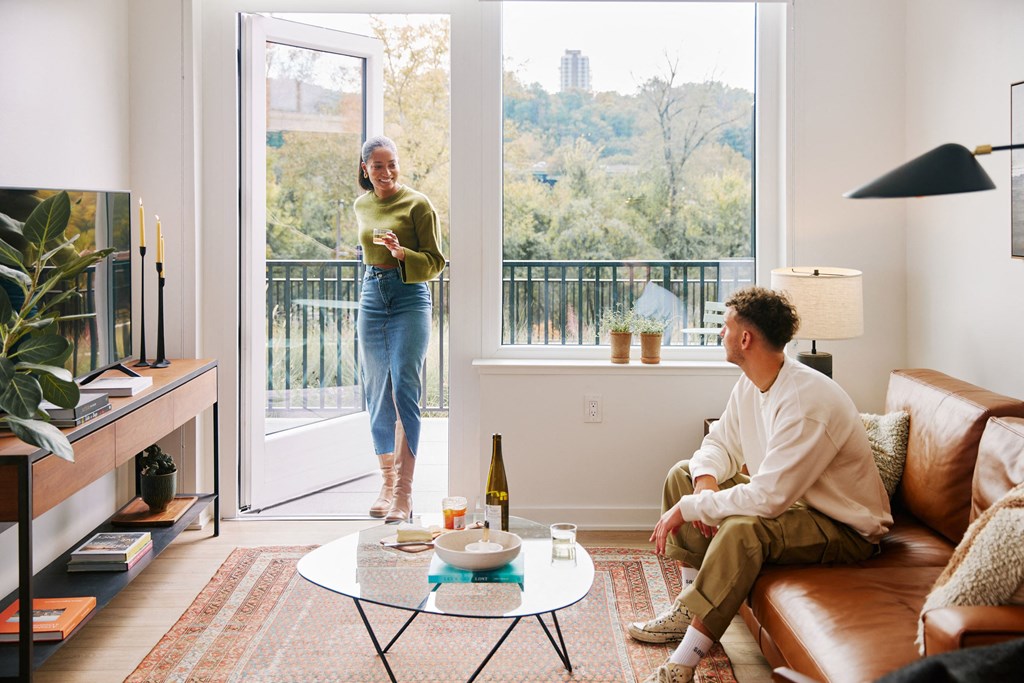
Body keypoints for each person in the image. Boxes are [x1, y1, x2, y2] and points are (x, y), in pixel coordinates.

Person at [631, 286, 893, 683]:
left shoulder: (806, 402)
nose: (721, 333)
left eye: (725, 326)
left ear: (745, 339)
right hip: (794, 503)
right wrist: (703, 486)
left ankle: (682, 664)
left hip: (842, 526)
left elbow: (769, 498)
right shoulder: (753, 382)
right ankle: (688, 609)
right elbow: (721, 442)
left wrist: (693, 508)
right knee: (683, 475)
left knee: (742, 529)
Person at [354, 136, 445, 522]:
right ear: (365, 169)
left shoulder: (418, 204)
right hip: (372, 297)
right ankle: (387, 484)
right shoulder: (361, 205)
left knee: (404, 389)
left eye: (391, 164)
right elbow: (366, 253)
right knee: (377, 391)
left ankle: (404, 493)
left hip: (409, 298)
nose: (386, 172)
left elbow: (437, 261)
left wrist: (401, 253)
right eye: (378, 166)